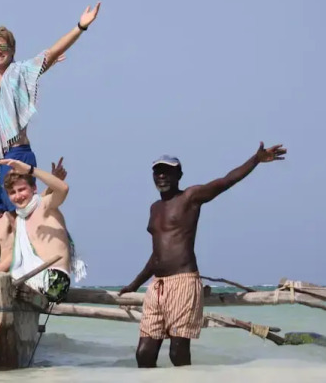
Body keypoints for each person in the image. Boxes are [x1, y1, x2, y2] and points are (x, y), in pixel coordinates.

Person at [119, 142, 287, 368]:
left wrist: (255, 159)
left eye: (167, 171)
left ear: (179, 175)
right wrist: (134, 284)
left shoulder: (190, 197)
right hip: (156, 286)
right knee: (144, 354)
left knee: (177, 352)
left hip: (183, 282)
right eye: (157, 172)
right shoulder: (154, 208)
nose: (162, 176)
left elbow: (226, 181)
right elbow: (157, 254)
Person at [0, 3, 101, 272]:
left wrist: (81, 26)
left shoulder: (20, 71)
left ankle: (22, 271)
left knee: (15, 219)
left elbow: (50, 53)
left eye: (2, 47)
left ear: (12, 50)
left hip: (15, 153)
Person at [0, 158, 83, 303]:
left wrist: (29, 170)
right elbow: (11, 258)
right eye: (12, 192)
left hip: (55, 282)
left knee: (2, 288)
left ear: (34, 188)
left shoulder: (45, 206)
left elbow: (63, 189)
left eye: (22, 189)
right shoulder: (21, 219)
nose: (18, 196)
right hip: (40, 280)